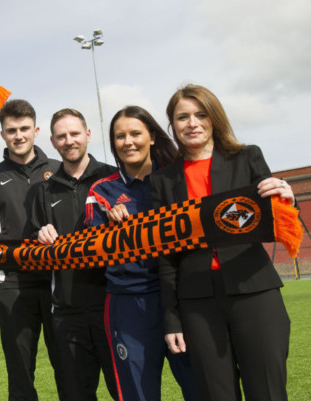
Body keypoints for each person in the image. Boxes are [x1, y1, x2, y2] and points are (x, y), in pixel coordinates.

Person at [149, 84, 294, 401]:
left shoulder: (247, 158)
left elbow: (277, 215)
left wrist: (286, 195)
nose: (192, 123)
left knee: (268, 392)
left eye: (200, 114)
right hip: (198, 303)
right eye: (182, 116)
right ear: (172, 125)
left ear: (214, 118)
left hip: (254, 292)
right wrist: (172, 319)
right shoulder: (162, 182)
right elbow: (166, 258)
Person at [84, 106, 199, 400]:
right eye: (120, 136)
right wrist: (111, 227)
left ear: (151, 137)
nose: (128, 141)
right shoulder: (102, 191)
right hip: (128, 304)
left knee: (202, 388)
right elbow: (91, 249)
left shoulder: (178, 178)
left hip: (183, 298)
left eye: (136, 133)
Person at [0, 99, 63, 400]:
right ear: (3, 135)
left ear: (35, 130)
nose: (18, 135)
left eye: (24, 129)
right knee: (20, 370)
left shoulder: (59, 170)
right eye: (11, 131)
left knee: (70, 365)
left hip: (60, 283)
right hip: (14, 286)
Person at [32, 108, 118, 401]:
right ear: (53, 143)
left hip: (115, 306)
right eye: (62, 136)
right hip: (67, 311)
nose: (69, 141)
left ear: (88, 135)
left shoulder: (113, 178)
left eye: (74, 134)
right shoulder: (44, 190)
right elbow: (30, 247)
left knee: (127, 392)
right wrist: (39, 236)